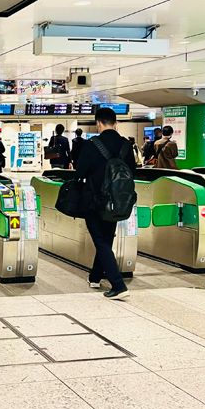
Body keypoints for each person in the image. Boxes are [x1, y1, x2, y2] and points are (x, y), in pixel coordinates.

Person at [76, 107, 137, 300]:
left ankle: (118, 285)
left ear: (98, 123)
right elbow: (132, 171)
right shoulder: (126, 146)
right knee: (106, 239)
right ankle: (95, 277)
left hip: (95, 202)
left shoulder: (92, 144)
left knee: (101, 242)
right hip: (118, 202)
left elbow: (80, 172)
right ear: (116, 123)